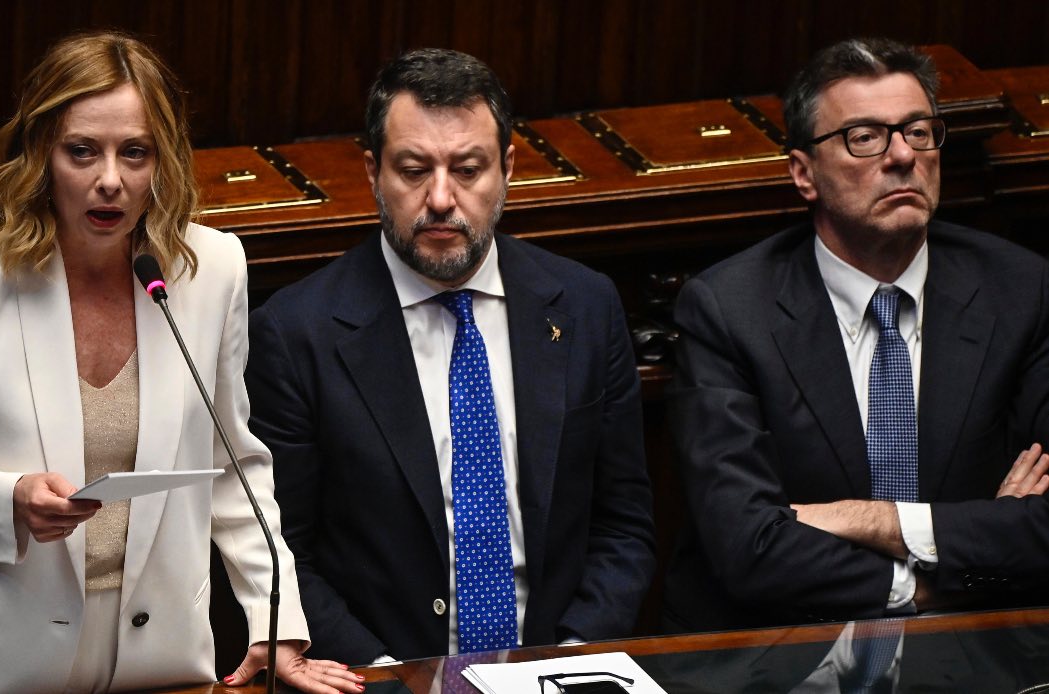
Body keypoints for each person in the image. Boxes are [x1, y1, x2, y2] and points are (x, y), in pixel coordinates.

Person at [0, 31, 363, 694]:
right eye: (82, 151)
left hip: (156, 658)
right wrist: (4, 500)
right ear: (42, 154)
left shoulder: (210, 271)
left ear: (163, 160)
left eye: (135, 153)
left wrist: (278, 620)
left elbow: (233, 462)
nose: (111, 180)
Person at [245, 48, 656, 665]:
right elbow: (282, 549)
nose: (441, 199)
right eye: (414, 171)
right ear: (373, 172)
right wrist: (385, 675)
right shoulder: (296, 332)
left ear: (507, 168)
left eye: (467, 169)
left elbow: (623, 525)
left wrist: (573, 656)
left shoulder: (585, 306)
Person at [663, 37, 1049, 634]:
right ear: (804, 173)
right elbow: (750, 548)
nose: (903, 155)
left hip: (974, 654)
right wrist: (931, 583)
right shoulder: (728, 309)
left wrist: (870, 521)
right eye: (864, 137)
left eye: (918, 131)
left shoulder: (1021, 290)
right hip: (784, 652)